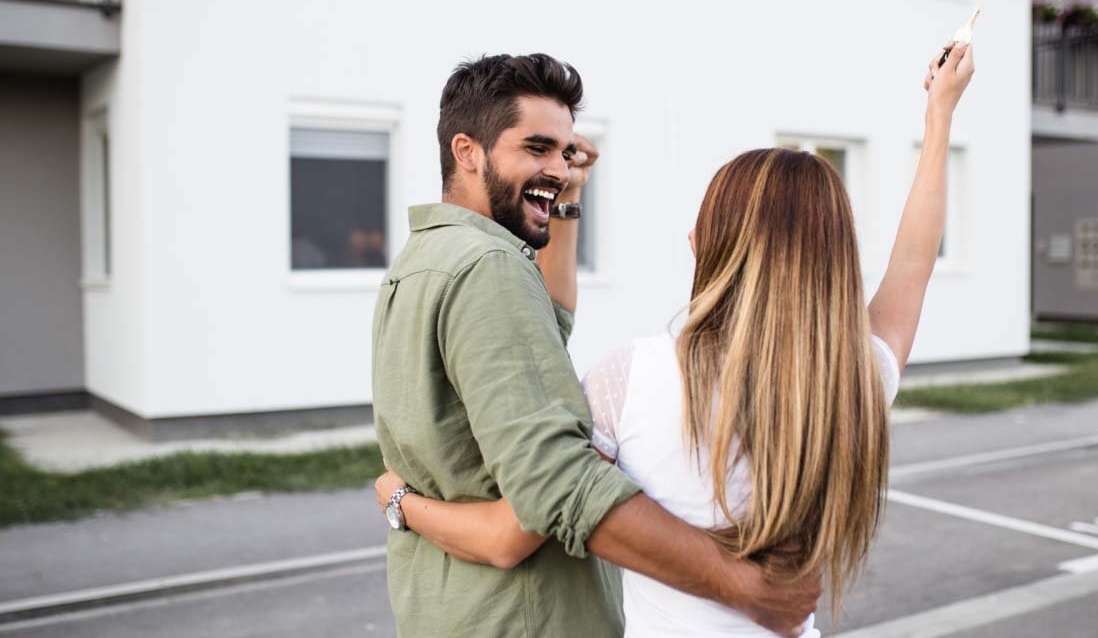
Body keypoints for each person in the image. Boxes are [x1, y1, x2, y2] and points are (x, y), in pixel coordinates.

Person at [376, 42, 976, 636]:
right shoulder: (851, 379)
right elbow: (914, 262)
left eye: (560, 152)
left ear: (704, 243)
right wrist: (940, 116)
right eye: (539, 148)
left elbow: (527, 513)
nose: (557, 168)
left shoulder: (627, 378)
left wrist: (403, 501)